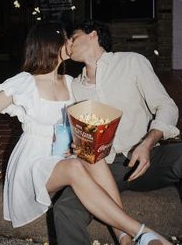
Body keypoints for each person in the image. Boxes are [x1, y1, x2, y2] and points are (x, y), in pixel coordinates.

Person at [0, 22, 171, 245]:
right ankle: (142, 231)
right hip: (34, 163)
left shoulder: (72, 84)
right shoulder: (25, 82)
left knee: (93, 156)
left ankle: (124, 238)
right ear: (50, 43)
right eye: (66, 38)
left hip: (63, 157)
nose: (70, 42)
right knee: (76, 166)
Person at [53, 19, 181, 245]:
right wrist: (75, 145)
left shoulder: (132, 62)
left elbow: (167, 107)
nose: (68, 43)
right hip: (103, 169)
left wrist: (148, 143)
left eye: (73, 37)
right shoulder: (75, 86)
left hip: (147, 157)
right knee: (64, 208)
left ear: (93, 35)